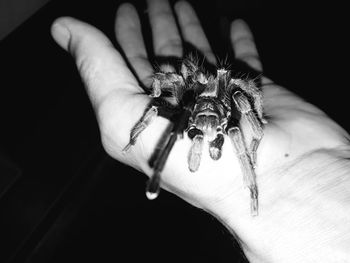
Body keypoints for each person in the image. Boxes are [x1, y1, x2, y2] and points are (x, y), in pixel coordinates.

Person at [50, 0, 350, 262]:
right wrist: (151, 106)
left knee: (235, 95)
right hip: (195, 101)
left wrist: (256, 126)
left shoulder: (230, 121)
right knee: (160, 102)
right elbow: (159, 94)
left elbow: (246, 93)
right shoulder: (185, 110)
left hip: (219, 100)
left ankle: (254, 190)